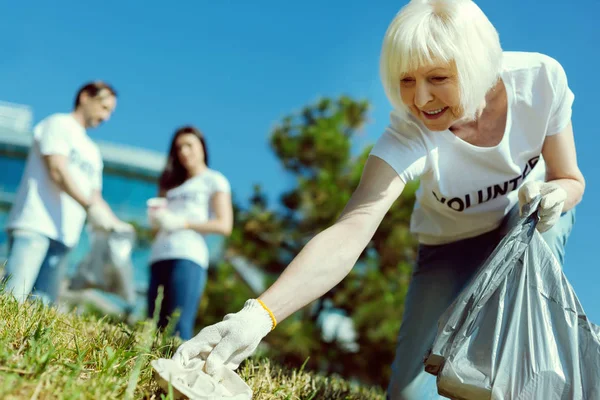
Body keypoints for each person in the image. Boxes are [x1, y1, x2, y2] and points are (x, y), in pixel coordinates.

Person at [167, 1, 585, 398]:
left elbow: (571, 179)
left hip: (523, 228)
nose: (421, 99)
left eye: (437, 78)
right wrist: (257, 316)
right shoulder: (410, 133)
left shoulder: (540, 81)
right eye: (407, 80)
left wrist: (556, 194)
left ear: (475, 66)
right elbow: (351, 230)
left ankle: (515, 375)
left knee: (541, 230)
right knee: (407, 393)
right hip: (448, 244)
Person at [2, 81, 132, 305]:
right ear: (85, 97)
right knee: (12, 300)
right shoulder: (57, 124)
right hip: (35, 226)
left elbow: (95, 197)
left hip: (64, 238)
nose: (106, 117)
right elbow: (57, 170)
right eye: (104, 107)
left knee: (40, 311)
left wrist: (115, 223)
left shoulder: (92, 152)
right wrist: (89, 207)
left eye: (110, 112)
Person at [146, 125, 233, 341]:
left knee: (178, 323)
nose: (184, 152)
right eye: (178, 148)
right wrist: (156, 220)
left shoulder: (214, 180)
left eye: (189, 145)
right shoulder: (170, 185)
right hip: (159, 255)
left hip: (188, 256)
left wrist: (183, 223)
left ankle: (179, 372)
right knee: (154, 323)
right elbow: (156, 228)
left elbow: (224, 225)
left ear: (202, 147)